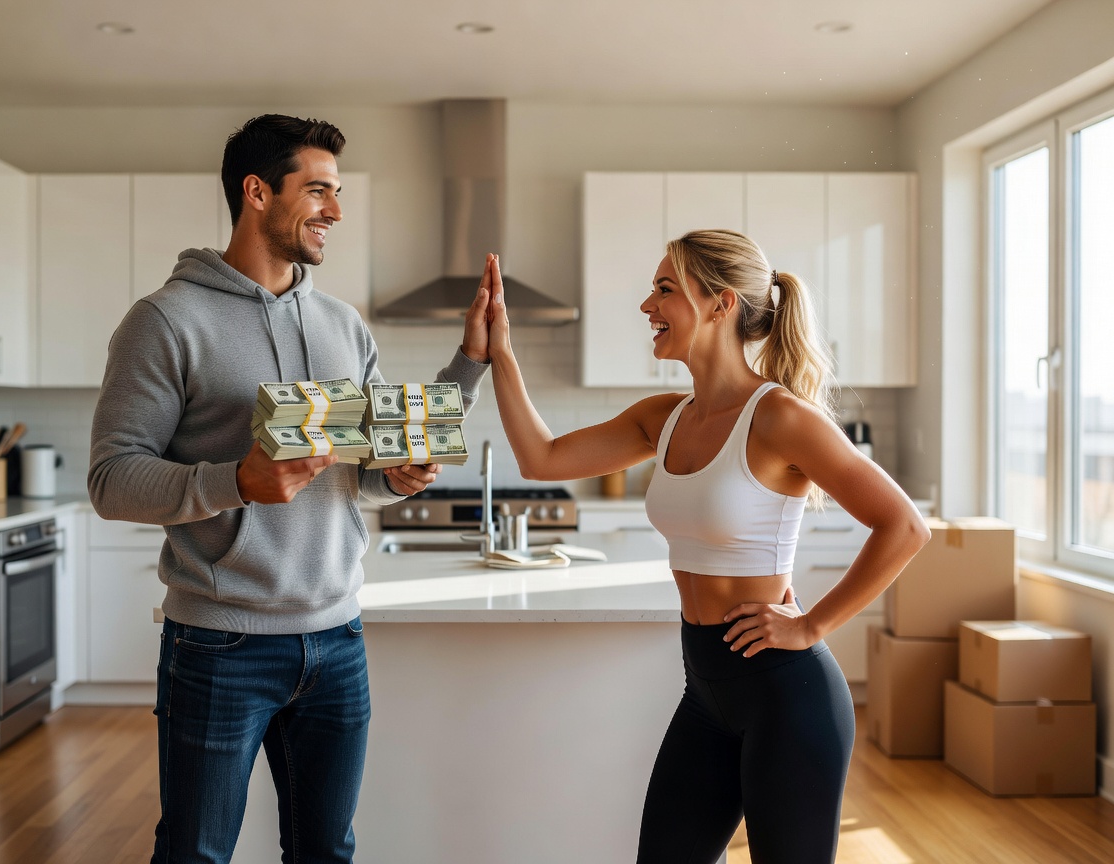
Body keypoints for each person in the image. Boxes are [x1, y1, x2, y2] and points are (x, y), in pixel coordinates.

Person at [88, 114, 491, 864]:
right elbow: (112, 481)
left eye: (337, 194)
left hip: (337, 639)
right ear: (257, 193)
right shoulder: (166, 321)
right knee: (196, 853)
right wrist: (235, 479)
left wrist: (460, 376)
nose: (335, 212)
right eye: (318, 192)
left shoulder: (342, 324)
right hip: (220, 643)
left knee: (325, 851)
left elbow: (367, 476)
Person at [479, 231, 930, 863]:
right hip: (707, 690)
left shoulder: (781, 418)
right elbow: (541, 457)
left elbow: (905, 526)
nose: (647, 305)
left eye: (665, 289)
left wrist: (813, 624)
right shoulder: (666, 416)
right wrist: (500, 353)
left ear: (719, 305)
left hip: (786, 695)